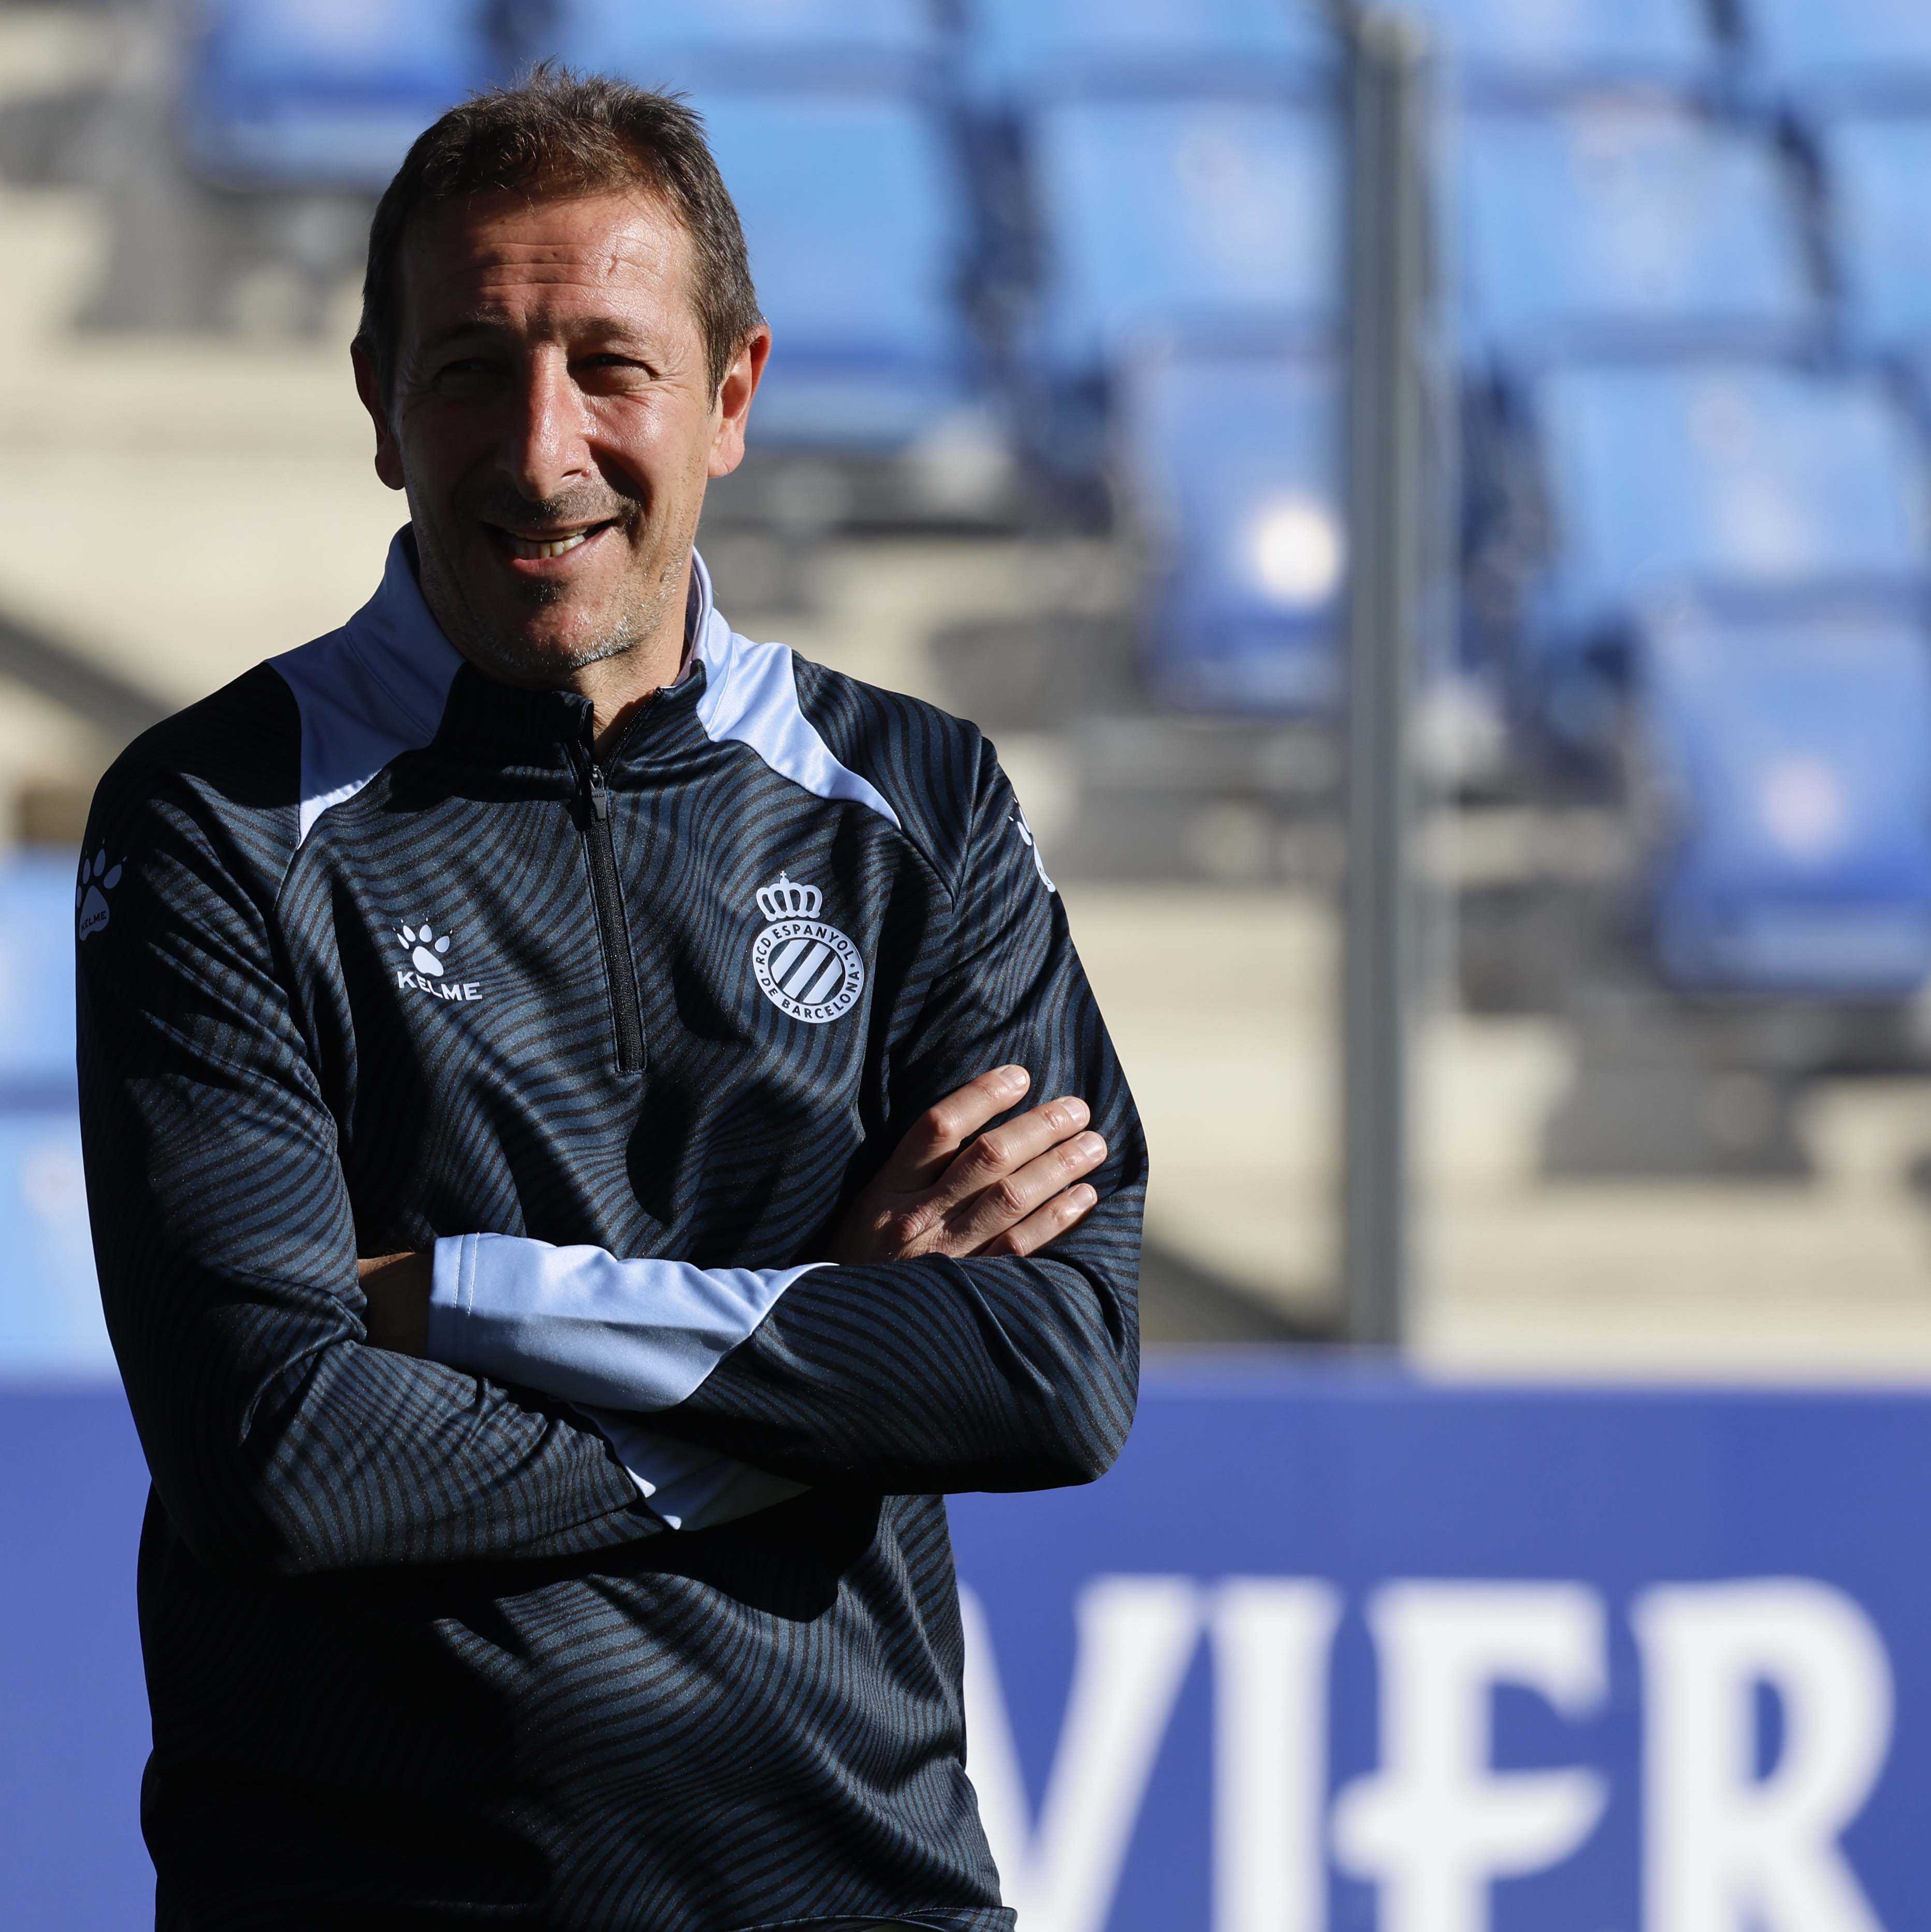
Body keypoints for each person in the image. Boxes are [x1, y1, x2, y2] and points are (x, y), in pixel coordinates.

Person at [75, 69, 1143, 1932]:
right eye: (472, 367)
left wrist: (480, 1299)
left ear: (730, 394)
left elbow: (1050, 1367)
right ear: (377, 402)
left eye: (610, 367)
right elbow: (289, 1457)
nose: (541, 445)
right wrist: (830, 1330)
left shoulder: (921, 801)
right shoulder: (217, 818)